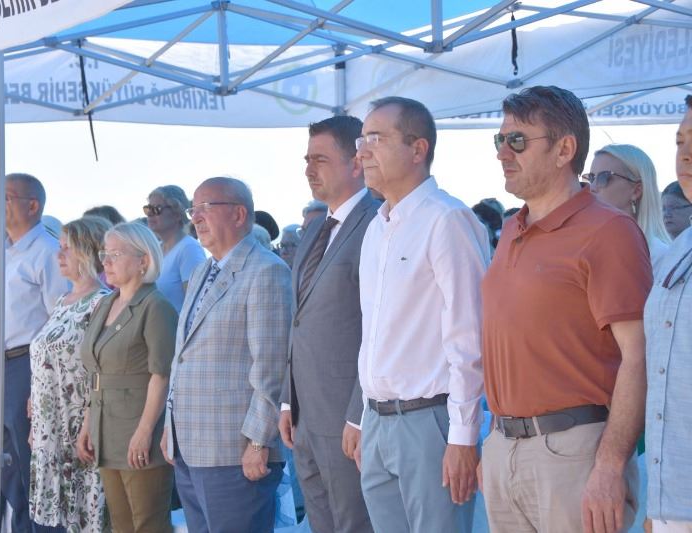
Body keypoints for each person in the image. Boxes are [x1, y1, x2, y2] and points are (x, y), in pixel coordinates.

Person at [481, 86, 651, 533]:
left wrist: (611, 466)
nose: (502, 152)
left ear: (564, 150)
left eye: (517, 140)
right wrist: (497, 445)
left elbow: (639, 356)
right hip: (505, 447)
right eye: (500, 140)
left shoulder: (609, 231)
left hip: (574, 454)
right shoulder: (511, 229)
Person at [355, 97, 488, 533]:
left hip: (430, 421)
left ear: (418, 149)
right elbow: (374, 335)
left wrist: (463, 436)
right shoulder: (376, 228)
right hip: (378, 421)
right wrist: (364, 417)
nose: (363, 151)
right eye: (361, 139)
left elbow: (470, 336)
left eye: (376, 138)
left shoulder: (447, 219)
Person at [161, 177, 293, 533]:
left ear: (238, 214)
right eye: (193, 209)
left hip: (235, 452)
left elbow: (272, 366)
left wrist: (259, 441)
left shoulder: (266, 271)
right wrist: (171, 427)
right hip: (191, 448)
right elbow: (183, 356)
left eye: (206, 208)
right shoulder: (202, 271)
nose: (195, 218)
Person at [278, 115, 377, 533]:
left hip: (348, 420)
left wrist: (358, 414)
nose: (308, 169)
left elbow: (376, 329)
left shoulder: (377, 223)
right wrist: (288, 401)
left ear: (356, 163)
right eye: (307, 159)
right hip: (305, 418)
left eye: (320, 159)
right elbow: (299, 321)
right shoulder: (317, 229)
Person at [0, 173, 69, 533]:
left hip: (28, 366)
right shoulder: (1, 252)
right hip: (0, 367)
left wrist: (43, 381)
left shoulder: (47, 251)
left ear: (32, 206)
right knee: (10, 472)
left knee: (34, 465)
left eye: (6, 197)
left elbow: (60, 320)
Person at [78, 222, 177, 533]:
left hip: (138, 428)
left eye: (115, 254)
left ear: (143, 260)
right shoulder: (107, 303)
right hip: (106, 428)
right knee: (120, 525)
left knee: (148, 524)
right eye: (104, 254)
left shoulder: (156, 306)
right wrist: (88, 424)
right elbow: (96, 371)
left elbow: (162, 375)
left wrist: (145, 432)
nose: (105, 261)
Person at [28, 217, 112, 532]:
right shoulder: (62, 302)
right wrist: (36, 413)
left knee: (83, 513)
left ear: (89, 252)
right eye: (60, 246)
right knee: (54, 517)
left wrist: (89, 421)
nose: (59, 254)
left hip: (77, 422)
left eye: (68, 248)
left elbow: (101, 368)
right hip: (50, 424)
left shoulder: (103, 302)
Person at [644, 94, 692, 532]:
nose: (685, 154)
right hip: (672, 499)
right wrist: (657, 506)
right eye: (680, 141)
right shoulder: (679, 249)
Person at [587, 143, 671, 268]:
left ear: (636, 190)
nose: (592, 188)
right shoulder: (586, 247)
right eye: (591, 178)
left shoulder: (661, 257)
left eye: (604, 177)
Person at [145, 185, 206, 313]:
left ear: (177, 213)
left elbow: (197, 305)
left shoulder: (189, 249)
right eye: (148, 209)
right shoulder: (155, 250)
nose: (150, 214)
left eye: (157, 209)